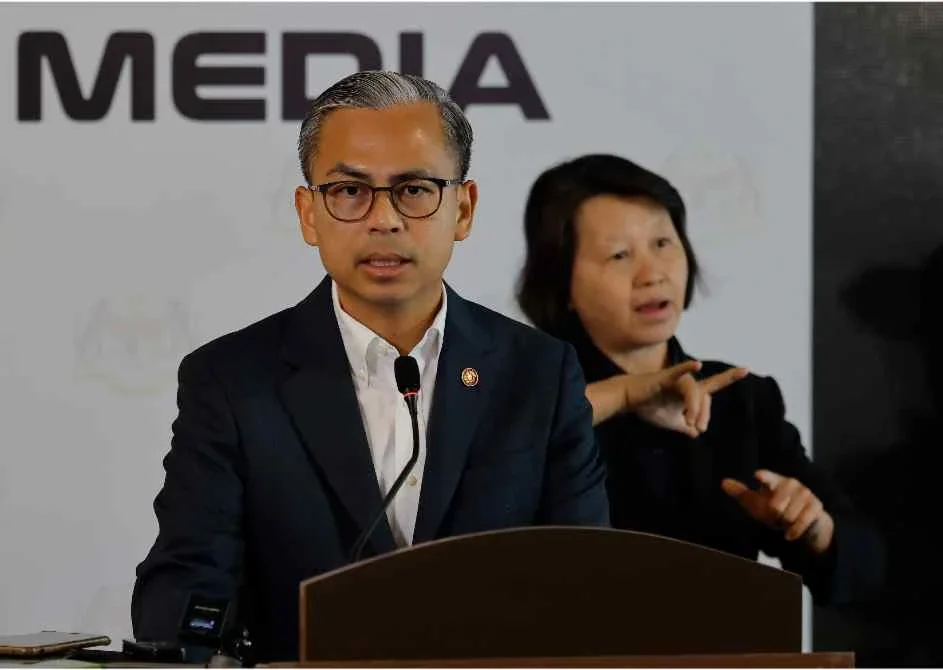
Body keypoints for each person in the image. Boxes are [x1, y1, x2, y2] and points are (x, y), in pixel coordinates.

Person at [131, 72, 610, 663]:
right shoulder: (232, 380)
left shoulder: (539, 373)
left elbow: (587, 584)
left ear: (463, 209)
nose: (384, 219)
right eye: (350, 192)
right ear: (309, 213)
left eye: (414, 189)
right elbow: (183, 585)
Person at [516, 153, 884, 607]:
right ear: (559, 283)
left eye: (664, 243)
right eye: (619, 255)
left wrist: (811, 526)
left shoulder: (741, 399)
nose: (653, 274)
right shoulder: (519, 397)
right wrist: (624, 396)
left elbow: (866, 567)